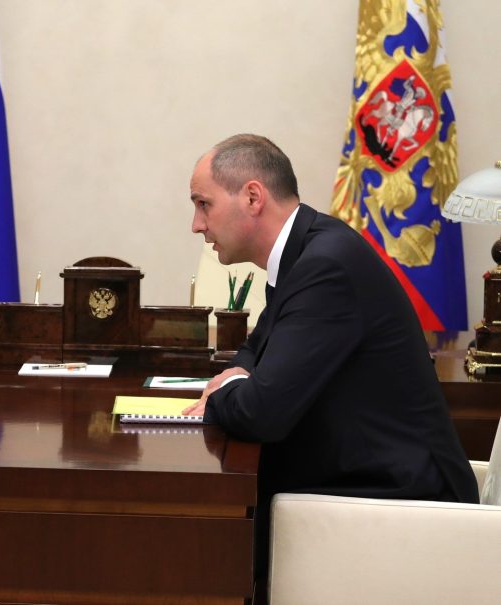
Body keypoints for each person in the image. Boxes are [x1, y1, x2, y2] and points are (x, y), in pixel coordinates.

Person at [181, 134, 478, 577]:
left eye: (203, 204)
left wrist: (222, 392)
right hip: (364, 479)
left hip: (402, 501)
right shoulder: (308, 249)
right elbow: (258, 344)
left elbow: (261, 413)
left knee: (212, 537)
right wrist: (240, 371)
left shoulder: (326, 265)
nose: (196, 225)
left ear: (253, 197)